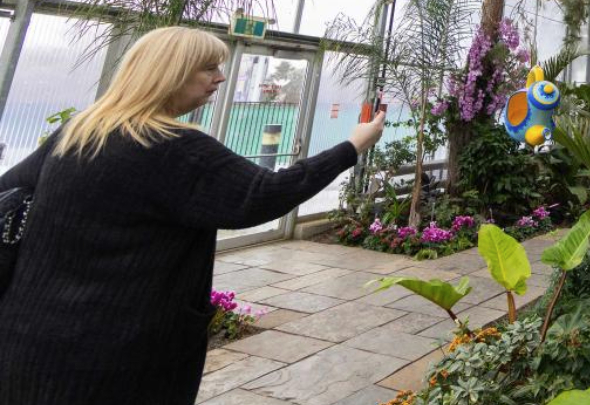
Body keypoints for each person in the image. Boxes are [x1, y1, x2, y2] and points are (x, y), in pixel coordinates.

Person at [0, 27, 385, 405]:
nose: (219, 78)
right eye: (208, 68)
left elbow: (9, 190)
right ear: (169, 73)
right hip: (118, 355)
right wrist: (353, 145)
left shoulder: (78, 132)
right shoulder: (174, 148)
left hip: (28, 336)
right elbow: (264, 194)